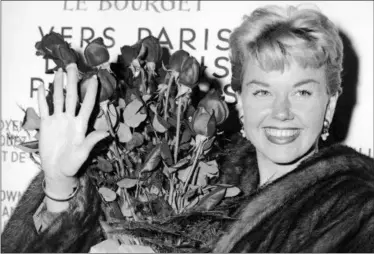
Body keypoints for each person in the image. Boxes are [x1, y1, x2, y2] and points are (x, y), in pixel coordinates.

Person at [2, 3, 374, 253]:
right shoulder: (190, 180)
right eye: (262, 91)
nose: (281, 111)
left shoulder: (359, 209)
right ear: (240, 103)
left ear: (331, 104)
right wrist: (59, 185)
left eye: (303, 91)